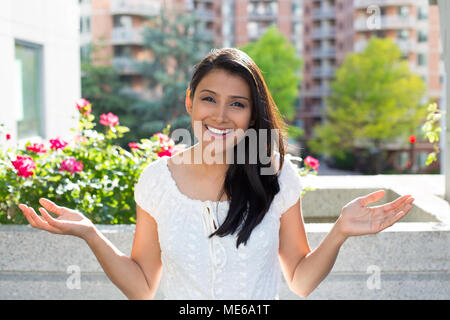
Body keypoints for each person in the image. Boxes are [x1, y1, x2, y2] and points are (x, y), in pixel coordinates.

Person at [18, 48, 415, 300]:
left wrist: (340, 231)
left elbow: (299, 280)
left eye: (237, 104)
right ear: (190, 101)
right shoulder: (157, 180)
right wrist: (90, 232)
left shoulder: (275, 176)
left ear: (252, 114)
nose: (220, 115)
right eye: (209, 98)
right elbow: (142, 286)